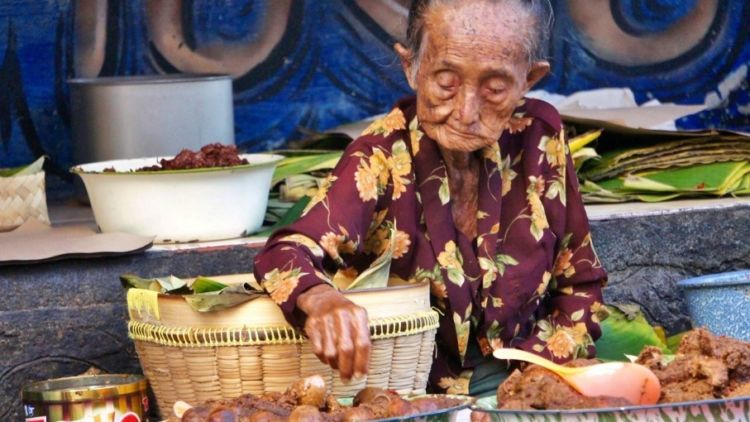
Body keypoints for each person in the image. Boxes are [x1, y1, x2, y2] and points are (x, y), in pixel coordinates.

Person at [253, 0, 607, 397]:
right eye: (445, 81)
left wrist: (545, 383)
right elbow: (285, 252)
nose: (467, 111)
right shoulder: (380, 157)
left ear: (529, 79)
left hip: (530, 384)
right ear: (412, 68)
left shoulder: (538, 136)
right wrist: (320, 299)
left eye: (494, 88)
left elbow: (580, 282)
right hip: (411, 397)